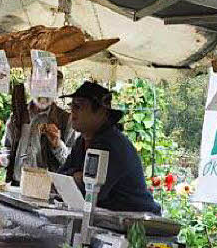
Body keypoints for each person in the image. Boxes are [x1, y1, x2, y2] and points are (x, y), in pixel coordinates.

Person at [59, 81, 160, 214]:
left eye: (79, 106)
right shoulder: (81, 142)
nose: (72, 111)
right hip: (112, 220)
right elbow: (61, 177)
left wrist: (76, 178)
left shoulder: (111, 144)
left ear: (101, 112)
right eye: (72, 105)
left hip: (140, 225)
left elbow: (91, 191)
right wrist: (75, 176)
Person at [0, 73, 76, 184]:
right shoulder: (17, 117)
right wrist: (2, 159)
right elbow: (8, 149)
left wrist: (58, 145)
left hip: (47, 191)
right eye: (40, 87)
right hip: (17, 186)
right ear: (31, 87)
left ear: (56, 90)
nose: (44, 93)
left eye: (49, 88)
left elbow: (72, 164)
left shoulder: (65, 120)